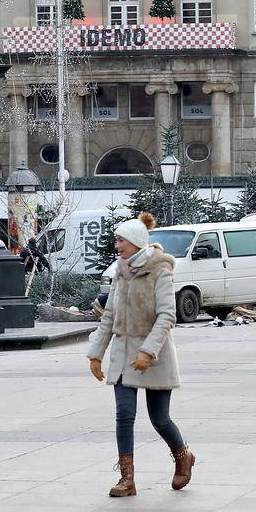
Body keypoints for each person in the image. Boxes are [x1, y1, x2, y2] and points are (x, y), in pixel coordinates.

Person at [87, 212, 195, 497]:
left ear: (135, 242)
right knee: (124, 414)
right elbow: (109, 315)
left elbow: (167, 316)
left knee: (160, 419)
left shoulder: (160, 270)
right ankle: (127, 479)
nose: (117, 245)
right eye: (116, 240)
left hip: (154, 355)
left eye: (120, 240)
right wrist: (95, 354)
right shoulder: (120, 272)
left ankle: (184, 456)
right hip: (124, 353)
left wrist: (148, 351)